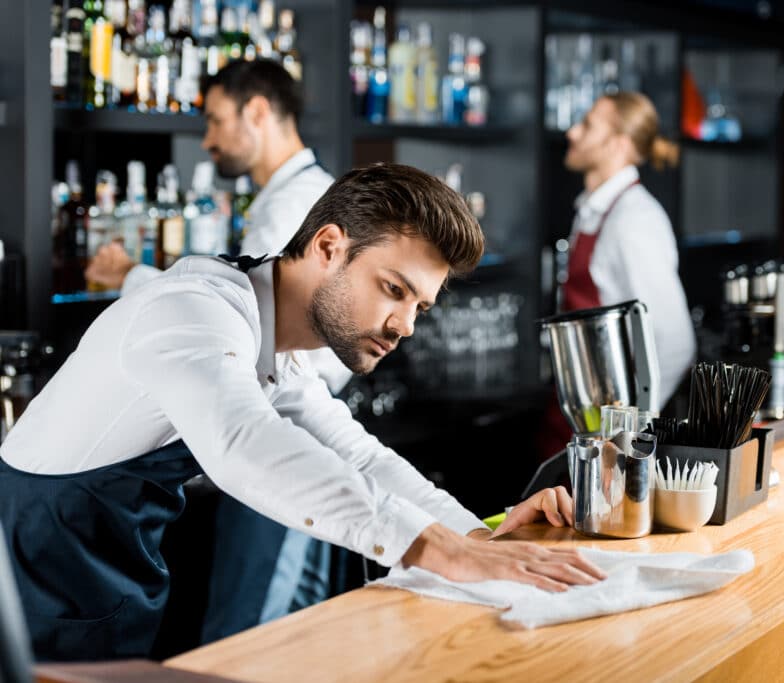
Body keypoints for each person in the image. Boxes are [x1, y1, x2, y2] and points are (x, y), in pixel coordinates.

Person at [0, 163, 604, 662]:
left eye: (420, 305)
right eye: (394, 289)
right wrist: (441, 552)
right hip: (44, 575)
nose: (406, 326)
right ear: (327, 246)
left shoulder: (272, 346)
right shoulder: (195, 312)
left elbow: (358, 453)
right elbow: (243, 444)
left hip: (103, 571)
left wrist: (478, 536)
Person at [87, 59, 352, 641]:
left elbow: (225, 322)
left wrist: (131, 274)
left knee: (253, 629)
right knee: (275, 622)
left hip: (285, 430)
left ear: (257, 111)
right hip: (281, 425)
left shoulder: (294, 210)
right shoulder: (293, 198)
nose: (206, 138)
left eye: (214, 119)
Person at [539, 92, 696, 459]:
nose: (573, 132)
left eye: (589, 125)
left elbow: (676, 342)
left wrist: (626, 435)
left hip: (602, 437)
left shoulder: (633, 220)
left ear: (620, 144)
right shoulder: (595, 207)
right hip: (574, 416)